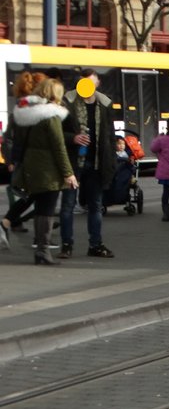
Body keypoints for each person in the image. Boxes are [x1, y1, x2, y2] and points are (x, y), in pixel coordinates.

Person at [9, 77, 78, 264]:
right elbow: (58, 146)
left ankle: (40, 250)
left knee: (39, 208)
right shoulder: (51, 115)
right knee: (47, 211)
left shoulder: (25, 113)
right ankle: (43, 250)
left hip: (31, 166)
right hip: (48, 169)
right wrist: (68, 173)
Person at [61, 70, 117, 259]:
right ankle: (66, 245)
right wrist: (73, 138)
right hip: (73, 163)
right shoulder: (67, 103)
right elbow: (57, 133)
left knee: (95, 205)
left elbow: (109, 135)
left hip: (96, 163)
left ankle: (96, 244)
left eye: (92, 84)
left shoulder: (104, 104)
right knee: (68, 205)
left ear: (98, 84)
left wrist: (111, 161)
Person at [2, 71, 46, 245]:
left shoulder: (21, 108)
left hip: (26, 160)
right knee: (37, 195)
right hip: (30, 161)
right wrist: (13, 160)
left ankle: (11, 222)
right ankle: (13, 222)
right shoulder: (30, 110)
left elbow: (9, 137)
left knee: (34, 195)